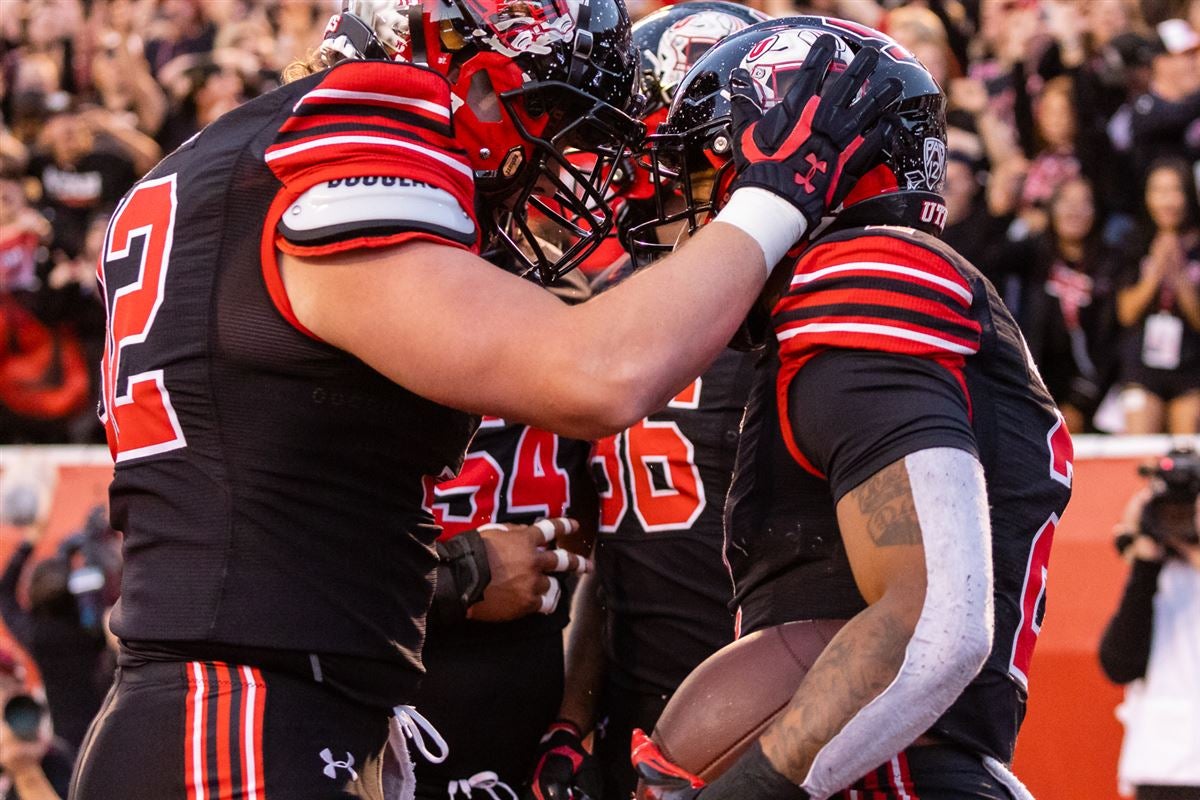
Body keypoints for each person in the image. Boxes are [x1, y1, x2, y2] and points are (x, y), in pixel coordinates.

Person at [72, 0, 901, 797]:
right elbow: (597, 374)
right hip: (247, 721)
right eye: (544, 108)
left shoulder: (230, 154)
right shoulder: (358, 120)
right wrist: (779, 194)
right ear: (469, 72)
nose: (555, 154)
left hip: (252, 701)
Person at [628, 18, 1073, 799]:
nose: (680, 216)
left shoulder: (862, 273)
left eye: (701, 182)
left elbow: (934, 621)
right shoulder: (842, 290)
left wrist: (756, 785)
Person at [525, 7, 766, 799]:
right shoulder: (618, 298)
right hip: (634, 734)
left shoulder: (790, 312)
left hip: (759, 739)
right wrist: (572, 712)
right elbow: (625, 543)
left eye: (655, 146)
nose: (631, 169)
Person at [1099, 453, 1200, 799]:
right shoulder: (1155, 576)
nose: (1178, 519)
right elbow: (1118, 664)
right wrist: (1144, 560)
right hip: (1163, 766)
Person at [1114, 158, 1200, 434]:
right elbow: (1125, 313)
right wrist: (1154, 275)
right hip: (1142, 368)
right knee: (1139, 450)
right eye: (1159, 191)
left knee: (1189, 453)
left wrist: (1180, 279)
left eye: (1175, 191)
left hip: (1191, 367)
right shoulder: (1133, 241)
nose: (1167, 201)